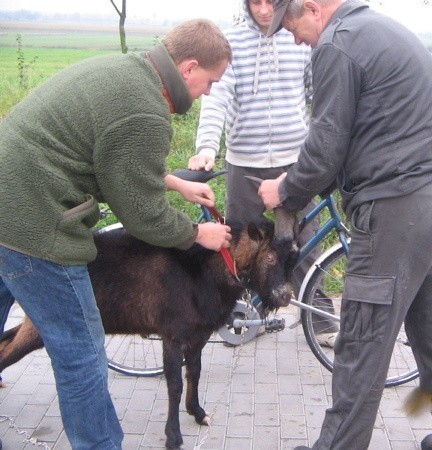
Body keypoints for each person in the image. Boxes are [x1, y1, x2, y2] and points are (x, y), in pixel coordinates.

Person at [0, 19, 232, 450]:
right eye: (210, 81)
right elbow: (143, 218)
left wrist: (176, 183)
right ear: (189, 67)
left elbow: (110, 157)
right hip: (34, 224)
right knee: (82, 354)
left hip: (7, 200)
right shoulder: (147, 113)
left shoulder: (128, 72)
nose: (209, 92)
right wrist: (198, 233)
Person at [258, 0, 432, 449]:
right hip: (424, 202)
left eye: (292, 26)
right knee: (429, 328)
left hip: (393, 209)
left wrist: (286, 192)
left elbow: (326, 147)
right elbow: (367, 133)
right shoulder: (384, 31)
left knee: (361, 346)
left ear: (314, 9)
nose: (295, 39)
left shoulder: (338, 45)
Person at [188, 1, 336, 336]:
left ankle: (322, 319)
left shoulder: (298, 36)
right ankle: (244, 318)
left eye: (272, 1)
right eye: (256, 1)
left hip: (293, 164)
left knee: (300, 243)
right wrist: (207, 148)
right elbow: (216, 97)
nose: (265, 10)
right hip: (245, 165)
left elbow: (318, 93)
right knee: (242, 249)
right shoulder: (232, 40)